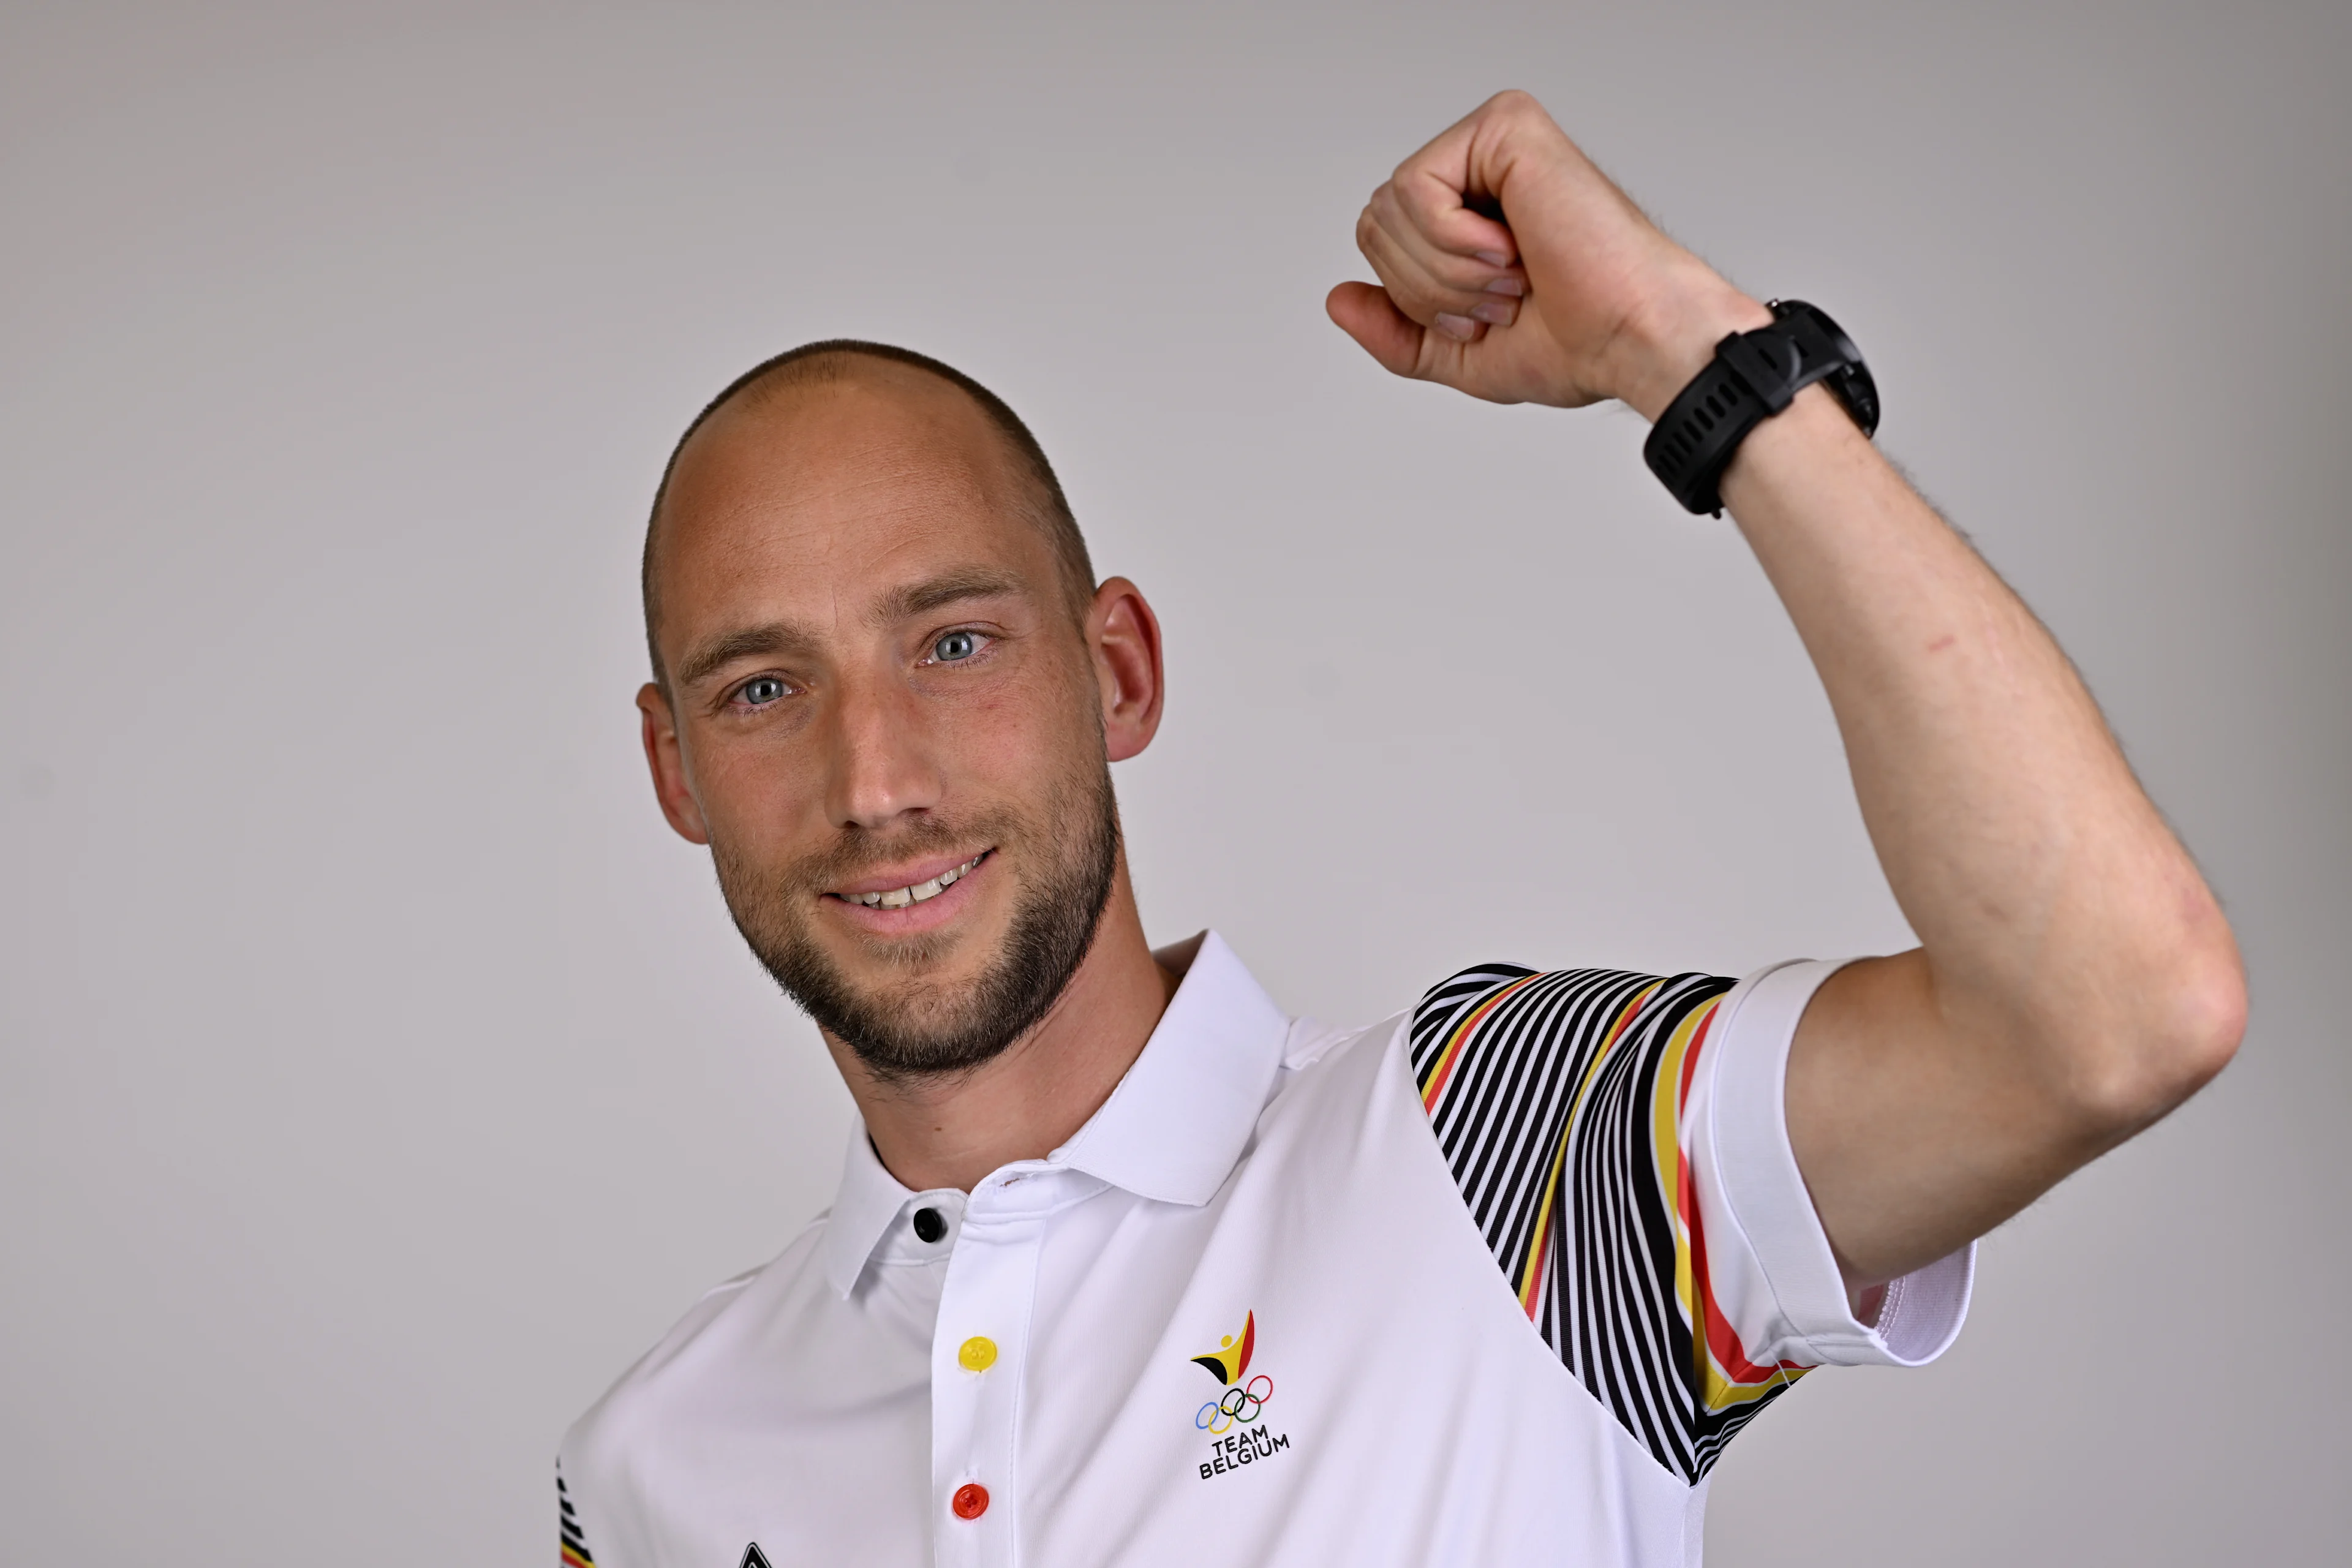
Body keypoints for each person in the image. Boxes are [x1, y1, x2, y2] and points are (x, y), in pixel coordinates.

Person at [555, 91, 2244, 1568]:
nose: (873, 783)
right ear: (675, 769)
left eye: (954, 642)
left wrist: (1689, 356)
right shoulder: (648, 1474)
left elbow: (2114, 1012)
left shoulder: (1508, 1160)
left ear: (1118, 671)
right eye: (765, 690)